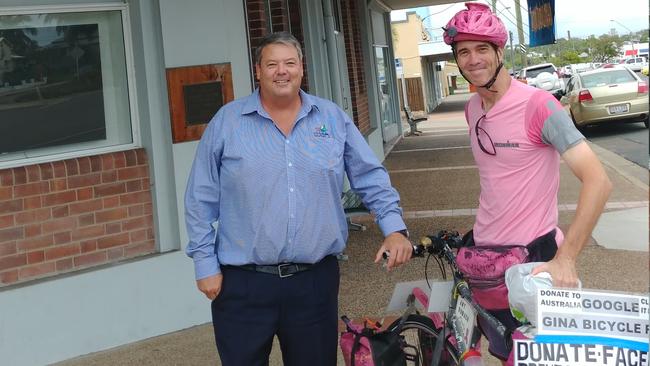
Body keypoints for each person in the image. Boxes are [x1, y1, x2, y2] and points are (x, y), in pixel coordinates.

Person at [184, 32, 413, 366]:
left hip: (314, 283)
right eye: (272, 64)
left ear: (301, 69)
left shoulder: (331, 118)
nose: (282, 71)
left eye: (289, 63)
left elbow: (369, 175)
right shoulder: (227, 123)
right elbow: (199, 198)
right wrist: (205, 263)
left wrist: (394, 228)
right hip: (243, 283)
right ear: (258, 71)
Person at [442, 3, 612, 363]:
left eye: (482, 49)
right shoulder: (473, 108)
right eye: (464, 52)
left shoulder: (539, 105)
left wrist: (566, 260)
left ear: (500, 51)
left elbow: (598, 181)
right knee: (501, 353)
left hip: (531, 262)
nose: (473, 59)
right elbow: (497, 179)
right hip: (484, 264)